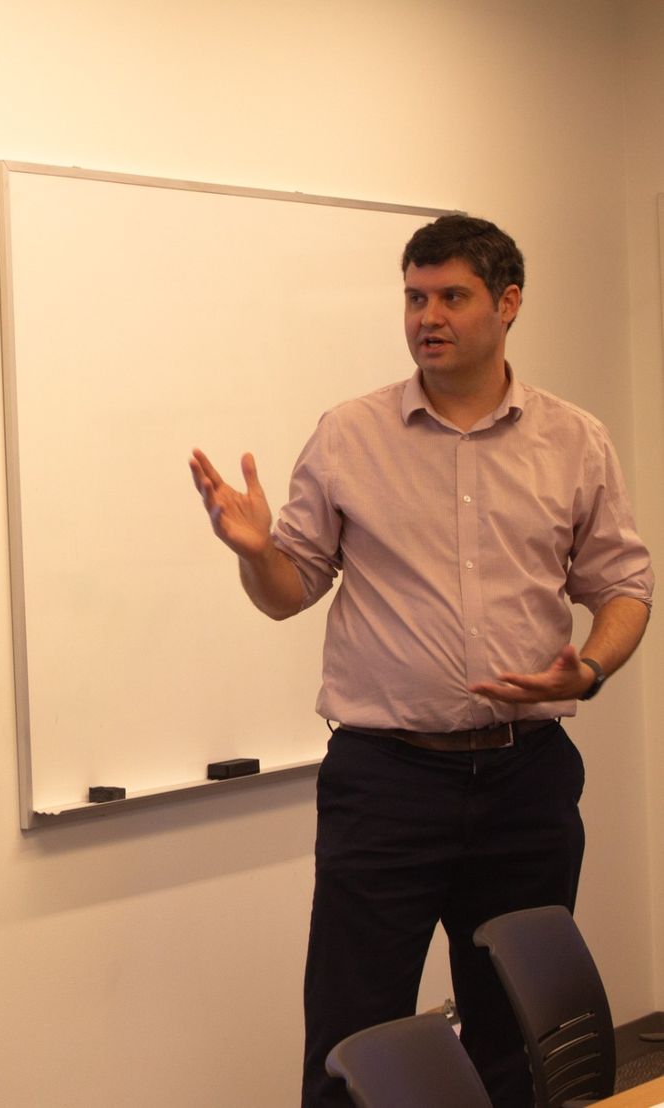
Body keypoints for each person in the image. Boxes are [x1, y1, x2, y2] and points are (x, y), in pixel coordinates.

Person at [188, 214, 653, 1108]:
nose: (427, 317)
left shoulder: (575, 440)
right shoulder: (349, 434)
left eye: (451, 297)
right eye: (414, 298)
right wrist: (256, 552)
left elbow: (625, 586)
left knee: (519, 1033)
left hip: (526, 778)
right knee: (353, 1038)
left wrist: (590, 669)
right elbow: (289, 591)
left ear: (508, 304)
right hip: (388, 781)